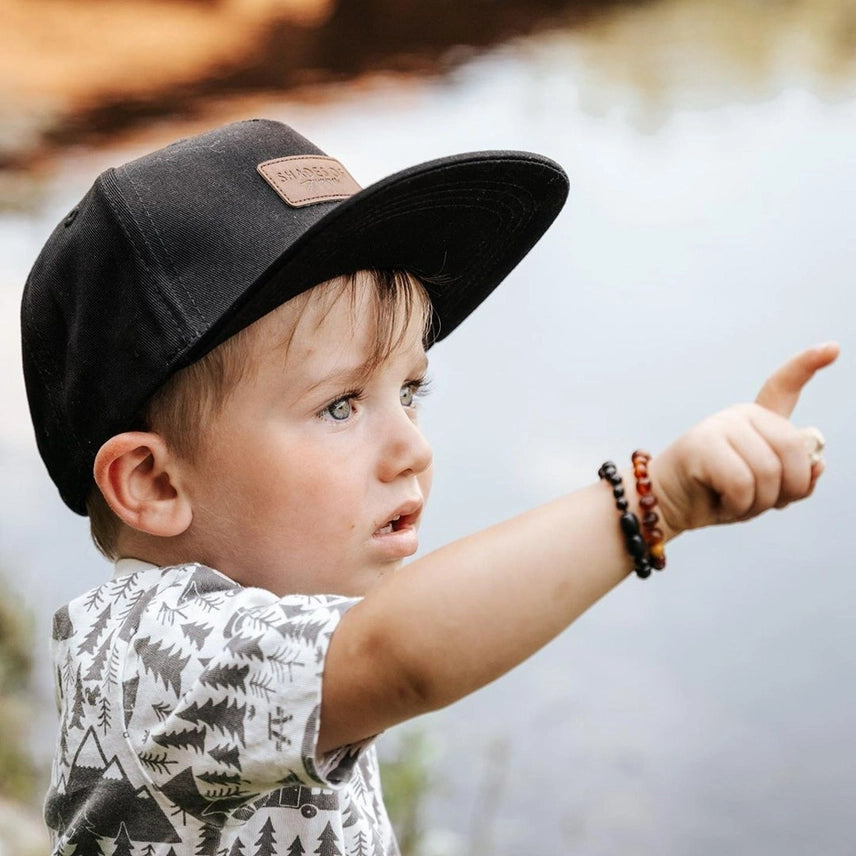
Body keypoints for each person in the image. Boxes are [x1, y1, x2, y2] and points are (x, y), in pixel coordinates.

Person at [21, 118, 837, 856]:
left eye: (410, 391)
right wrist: (659, 498)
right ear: (154, 482)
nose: (412, 447)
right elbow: (401, 654)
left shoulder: (275, 637)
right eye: (341, 405)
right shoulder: (149, 656)